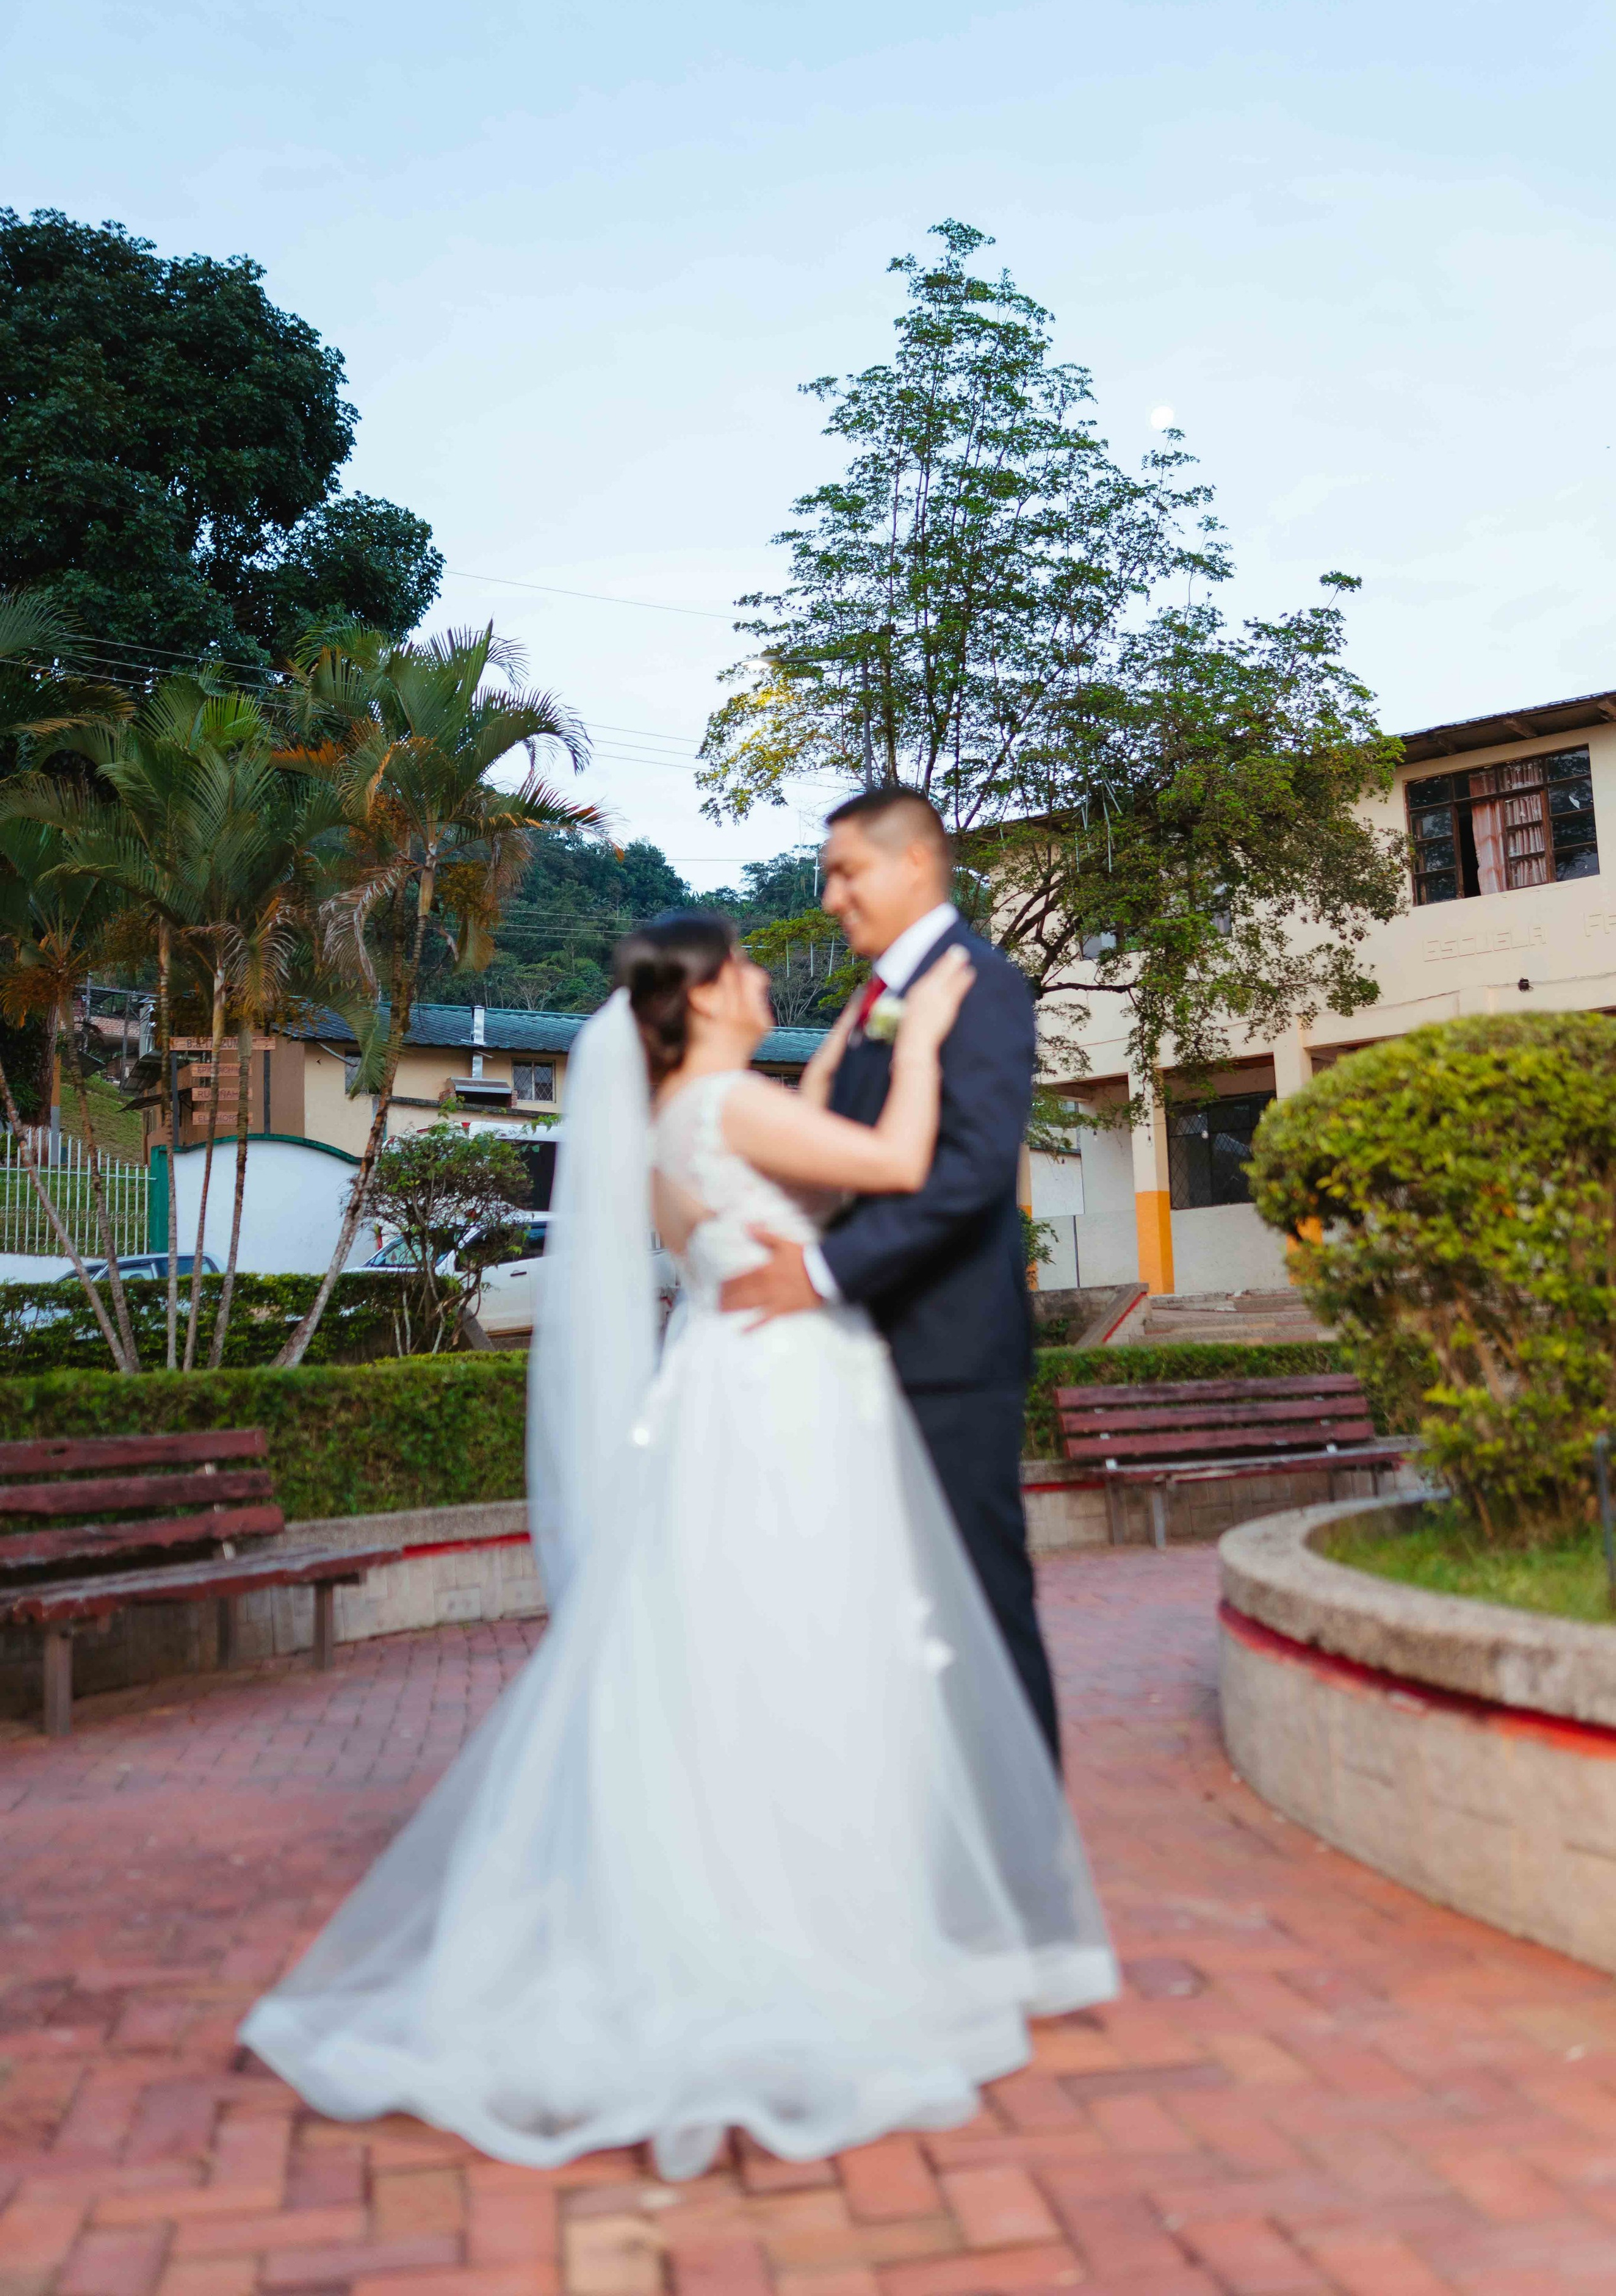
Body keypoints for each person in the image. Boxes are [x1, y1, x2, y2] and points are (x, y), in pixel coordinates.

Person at [239, 914, 1115, 2182]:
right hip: (784, 1410)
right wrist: (919, 1039)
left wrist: (818, 1081)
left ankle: (743, 1915)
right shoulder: (723, 1107)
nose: (764, 979)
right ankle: (797, 1943)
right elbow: (895, 1158)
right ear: (701, 1000)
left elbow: (795, 1189)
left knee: (732, 1655)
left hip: (724, 1401)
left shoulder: (677, 1128)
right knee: (806, 1653)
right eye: (743, 969)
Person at [721, 790, 1061, 1758]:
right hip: (865, 1358)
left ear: (915, 863)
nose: (830, 898)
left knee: (979, 1608)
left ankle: (1021, 1854)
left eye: (845, 873)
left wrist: (820, 1275)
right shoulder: (873, 1004)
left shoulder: (980, 984)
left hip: (948, 1351)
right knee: (896, 1616)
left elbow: (970, 1173)